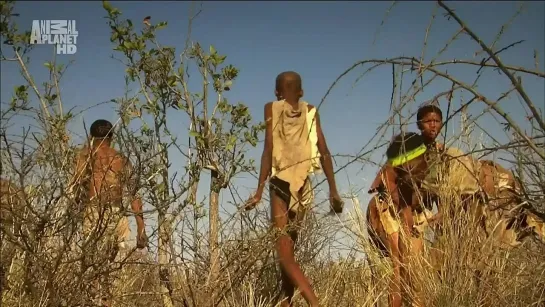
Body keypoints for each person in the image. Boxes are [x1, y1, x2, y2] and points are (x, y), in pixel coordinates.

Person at [244, 71, 344, 307]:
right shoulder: (311, 111)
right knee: (288, 251)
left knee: (284, 254)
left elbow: (268, 148)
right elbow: (324, 150)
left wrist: (259, 191)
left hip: (280, 185)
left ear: (277, 92)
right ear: (301, 92)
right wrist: (333, 190)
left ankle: (314, 303)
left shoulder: (272, 108)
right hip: (303, 188)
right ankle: (286, 301)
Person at [72, 119, 148, 305]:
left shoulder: (85, 156)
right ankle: (105, 301)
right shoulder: (120, 159)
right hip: (117, 215)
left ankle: (94, 301)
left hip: (93, 212)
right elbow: (134, 194)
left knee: (92, 266)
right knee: (109, 267)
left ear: (91, 136)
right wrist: (141, 228)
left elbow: (75, 188)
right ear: (111, 137)